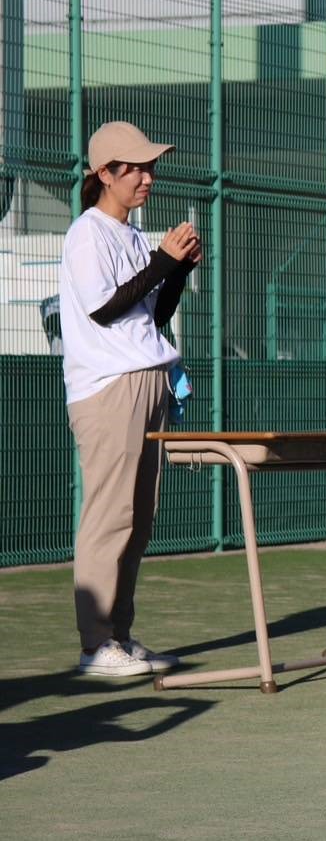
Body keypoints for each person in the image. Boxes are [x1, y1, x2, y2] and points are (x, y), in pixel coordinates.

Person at [59, 121, 199, 676]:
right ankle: (95, 645)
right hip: (108, 388)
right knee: (110, 515)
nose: (147, 176)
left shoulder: (136, 238)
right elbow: (103, 309)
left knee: (139, 517)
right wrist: (164, 262)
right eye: (134, 167)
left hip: (149, 378)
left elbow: (150, 317)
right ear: (104, 174)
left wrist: (178, 271)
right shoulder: (87, 232)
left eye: (149, 166)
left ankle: (117, 635)